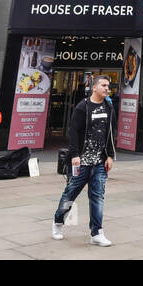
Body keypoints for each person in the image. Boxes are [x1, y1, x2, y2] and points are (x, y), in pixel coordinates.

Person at [51, 75, 116, 246]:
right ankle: (58, 222)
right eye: (103, 85)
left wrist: (110, 155)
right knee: (70, 194)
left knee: (97, 197)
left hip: (99, 162)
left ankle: (97, 233)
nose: (106, 88)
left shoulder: (109, 106)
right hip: (81, 162)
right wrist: (74, 155)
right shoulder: (82, 107)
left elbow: (110, 133)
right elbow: (73, 133)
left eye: (108, 86)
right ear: (94, 87)